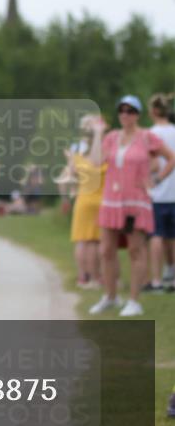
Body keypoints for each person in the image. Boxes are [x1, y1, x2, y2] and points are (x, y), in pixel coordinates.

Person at [90, 96, 175, 317]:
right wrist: (98, 133)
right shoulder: (111, 138)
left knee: (135, 250)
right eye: (121, 110)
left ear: (137, 114)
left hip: (136, 202)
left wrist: (156, 180)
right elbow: (96, 161)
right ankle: (110, 296)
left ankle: (135, 301)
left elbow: (171, 157)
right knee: (106, 250)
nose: (125, 114)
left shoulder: (147, 137)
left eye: (130, 110)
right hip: (111, 201)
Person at [64, 114, 107, 289]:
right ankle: (97, 277)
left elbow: (69, 177)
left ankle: (83, 277)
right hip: (102, 199)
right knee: (96, 241)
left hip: (83, 200)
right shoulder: (104, 150)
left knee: (82, 241)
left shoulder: (76, 153)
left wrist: (66, 196)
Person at [146, 93, 175, 291]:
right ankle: (172, 277)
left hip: (157, 193)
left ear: (154, 111)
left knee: (156, 235)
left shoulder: (150, 134)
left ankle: (156, 280)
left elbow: (152, 164)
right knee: (172, 236)